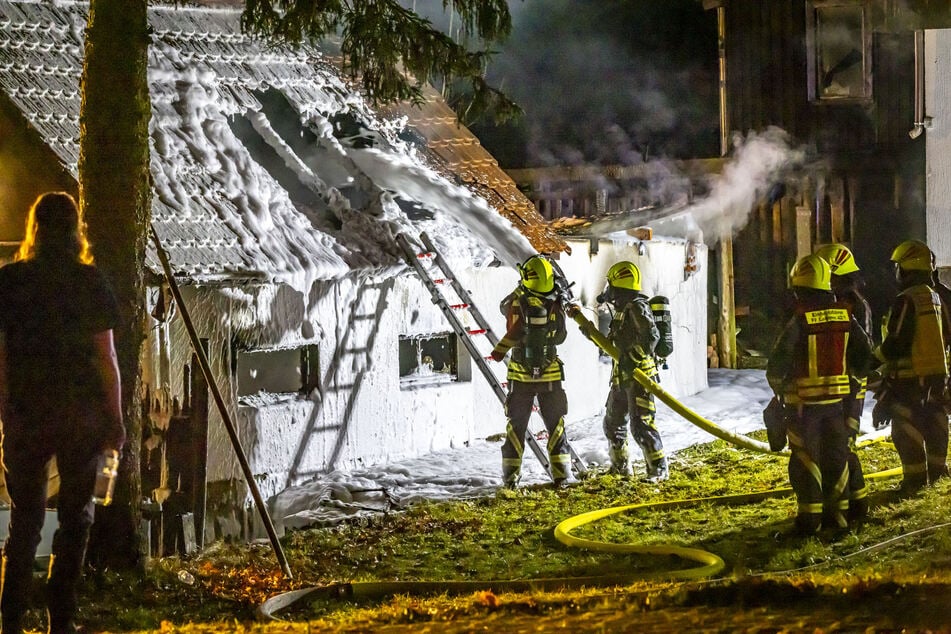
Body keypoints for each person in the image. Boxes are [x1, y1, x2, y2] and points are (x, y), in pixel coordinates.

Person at [0, 192, 124, 634]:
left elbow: (1, 356)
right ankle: (62, 617)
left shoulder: (10, 281)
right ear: (75, 230)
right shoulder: (89, 282)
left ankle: (10, 621)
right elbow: (105, 358)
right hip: (81, 417)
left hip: (27, 414)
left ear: (35, 227)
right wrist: (116, 418)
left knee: (24, 522)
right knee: (76, 517)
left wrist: (5, 410)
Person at [766, 254, 872, 536]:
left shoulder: (800, 320)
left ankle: (809, 522)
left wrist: (779, 389)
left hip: (804, 409)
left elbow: (777, 364)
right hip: (837, 408)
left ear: (799, 289)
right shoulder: (847, 315)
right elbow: (866, 357)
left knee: (805, 460)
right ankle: (839, 519)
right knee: (836, 459)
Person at [873, 239, 950, 494]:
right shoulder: (936, 297)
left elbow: (896, 341)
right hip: (936, 377)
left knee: (905, 424)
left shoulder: (906, 300)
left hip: (909, 377)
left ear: (906, 269)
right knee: (935, 419)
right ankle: (938, 471)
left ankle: (914, 480)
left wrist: (873, 360)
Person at [489, 255, 570, 488]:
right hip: (551, 375)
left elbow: (504, 312)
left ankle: (511, 480)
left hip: (520, 375)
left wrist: (498, 352)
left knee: (516, 427)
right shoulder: (555, 303)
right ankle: (562, 475)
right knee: (556, 425)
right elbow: (562, 336)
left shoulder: (517, 301)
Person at [813, 243, 873, 517]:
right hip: (842, 386)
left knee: (843, 445)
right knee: (836, 446)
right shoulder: (847, 301)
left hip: (850, 387)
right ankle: (852, 503)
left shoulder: (852, 305)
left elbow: (861, 353)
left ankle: (855, 506)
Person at [597, 261, 668, 482]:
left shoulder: (637, 306)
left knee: (641, 425)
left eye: (610, 284)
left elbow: (651, 337)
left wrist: (632, 358)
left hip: (640, 378)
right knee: (613, 422)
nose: (607, 289)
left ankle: (658, 470)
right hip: (622, 376)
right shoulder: (622, 309)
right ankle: (620, 467)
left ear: (618, 284)